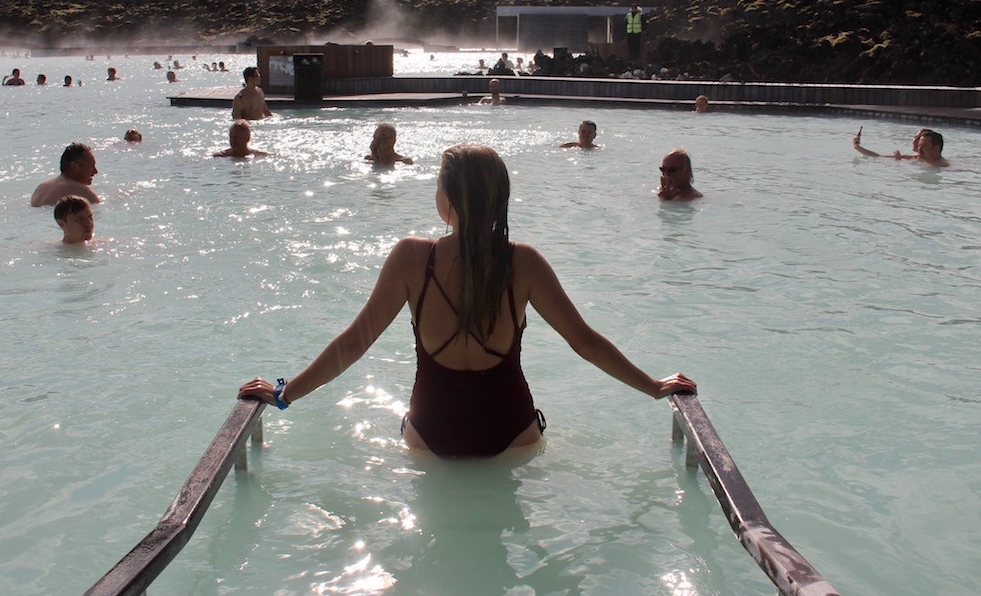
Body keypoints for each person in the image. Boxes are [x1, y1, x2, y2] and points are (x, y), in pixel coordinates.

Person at [237, 144, 697, 458]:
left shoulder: (411, 258)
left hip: (430, 435)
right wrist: (654, 387)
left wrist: (284, 395)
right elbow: (585, 342)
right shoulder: (525, 263)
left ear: (449, 196)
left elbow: (354, 343)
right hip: (513, 430)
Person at [30, 142, 101, 207]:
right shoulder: (83, 192)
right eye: (91, 166)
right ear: (74, 167)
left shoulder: (41, 188)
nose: (95, 171)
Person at [853, 127, 948, 167]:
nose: (919, 149)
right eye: (919, 146)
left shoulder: (944, 166)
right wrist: (857, 147)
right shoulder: (918, 159)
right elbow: (879, 157)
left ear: (936, 149)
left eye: (923, 146)